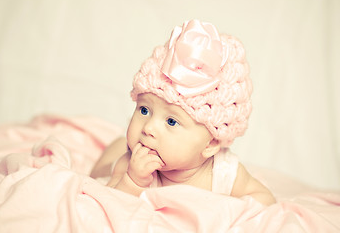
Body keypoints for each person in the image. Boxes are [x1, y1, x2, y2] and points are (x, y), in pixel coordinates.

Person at [91, 19, 276, 206]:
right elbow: (108, 204)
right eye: (144, 110)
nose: (148, 127)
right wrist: (132, 182)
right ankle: (116, 145)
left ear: (210, 144)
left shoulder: (224, 174)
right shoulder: (132, 163)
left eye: (171, 121)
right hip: (116, 167)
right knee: (98, 171)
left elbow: (265, 199)